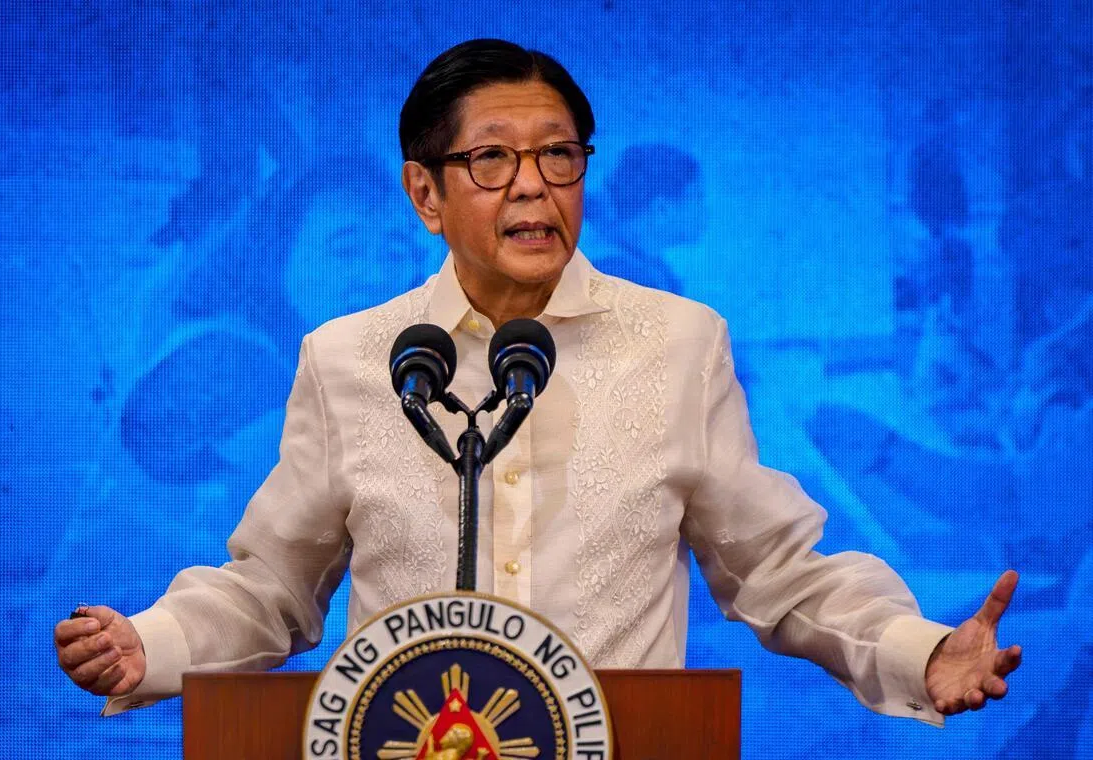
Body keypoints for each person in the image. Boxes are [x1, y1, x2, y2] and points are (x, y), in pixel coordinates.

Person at [54, 38, 1021, 723]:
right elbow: (274, 588)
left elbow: (773, 568)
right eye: (491, 160)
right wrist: (157, 644)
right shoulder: (348, 358)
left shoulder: (678, 343)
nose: (533, 185)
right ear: (424, 193)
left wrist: (918, 648)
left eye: (558, 155)